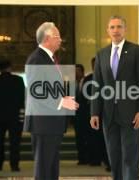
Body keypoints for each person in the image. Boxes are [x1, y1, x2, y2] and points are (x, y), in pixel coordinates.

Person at [90, 15, 139, 180]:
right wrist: (95, 112)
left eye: (119, 27)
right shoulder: (102, 54)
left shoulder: (137, 51)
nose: (115, 30)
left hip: (132, 115)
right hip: (108, 116)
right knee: (114, 158)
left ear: (125, 29)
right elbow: (97, 85)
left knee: (130, 158)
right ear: (107, 31)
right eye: (112, 27)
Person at [24, 22, 79, 179]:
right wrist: (61, 102)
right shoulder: (36, 59)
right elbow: (37, 91)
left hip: (51, 123)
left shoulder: (49, 58)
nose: (60, 40)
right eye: (57, 36)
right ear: (47, 38)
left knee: (51, 167)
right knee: (44, 168)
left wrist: (63, 98)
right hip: (43, 123)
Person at [0, 60, 25, 171]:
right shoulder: (18, 80)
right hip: (14, 115)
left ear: (0, 68)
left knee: (0, 140)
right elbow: (21, 97)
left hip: (0, 116)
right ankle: (14, 165)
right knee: (14, 142)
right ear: (10, 67)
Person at [74, 64, 90, 165]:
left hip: (86, 115)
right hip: (77, 116)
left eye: (78, 71)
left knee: (87, 137)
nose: (76, 73)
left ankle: (88, 157)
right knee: (79, 138)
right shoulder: (73, 84)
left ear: (82, 72)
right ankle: (81, 158)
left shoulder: (87, 81)